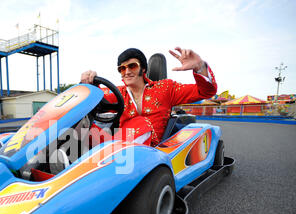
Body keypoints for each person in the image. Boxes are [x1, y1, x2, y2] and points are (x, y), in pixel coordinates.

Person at [80, 47, 217, 146]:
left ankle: (111, 161)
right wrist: (87, 83)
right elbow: (94, 101)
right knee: (80, 124)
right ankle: (66, 170)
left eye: (132, 66)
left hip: (151, 152)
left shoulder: (165, 88)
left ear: (143, 68)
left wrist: (200, 67)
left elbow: (205, 92)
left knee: (140, 122)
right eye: (122, 69)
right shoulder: (117, 92)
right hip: (118, 145)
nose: (126, 72)